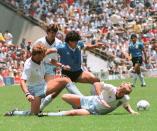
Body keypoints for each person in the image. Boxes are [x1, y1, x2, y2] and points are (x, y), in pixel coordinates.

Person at [4, 43, 82, 116]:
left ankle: (83, 101)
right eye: (42, 55)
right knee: (34, 113)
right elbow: (22, 81)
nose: (44, 56)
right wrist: (27, 94)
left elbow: (51, 61)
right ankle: (15, 112)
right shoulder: (28, 65)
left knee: (65, 80)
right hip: (34, 91)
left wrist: (62, 66)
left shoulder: (41, 57)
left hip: (44, 86)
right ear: (36, 55)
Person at [32, 24, 81, 112]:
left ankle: (40, 107)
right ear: (47, 32)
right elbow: (32, 54)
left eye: (55, 32)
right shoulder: (39, 41)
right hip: (39, 66)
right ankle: (36, 107)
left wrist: (62, 65)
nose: (53, 34)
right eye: (51, 32)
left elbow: (56, 58)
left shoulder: (59, 43)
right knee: (40, 89)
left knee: (49, 89)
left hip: (50, 67)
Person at [38, 82, 138, 116]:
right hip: (90, 100)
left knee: (72, 113)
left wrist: (132, 111)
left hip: (93, 111)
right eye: (120, 88)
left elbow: (126, 105)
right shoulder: (111, 88)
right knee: (64, 96)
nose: (119, 91)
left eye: (122, 91)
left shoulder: (124, 98)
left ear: (125, 93)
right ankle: (78, 107)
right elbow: (97, 84)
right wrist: (100, 98)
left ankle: (47, 114)